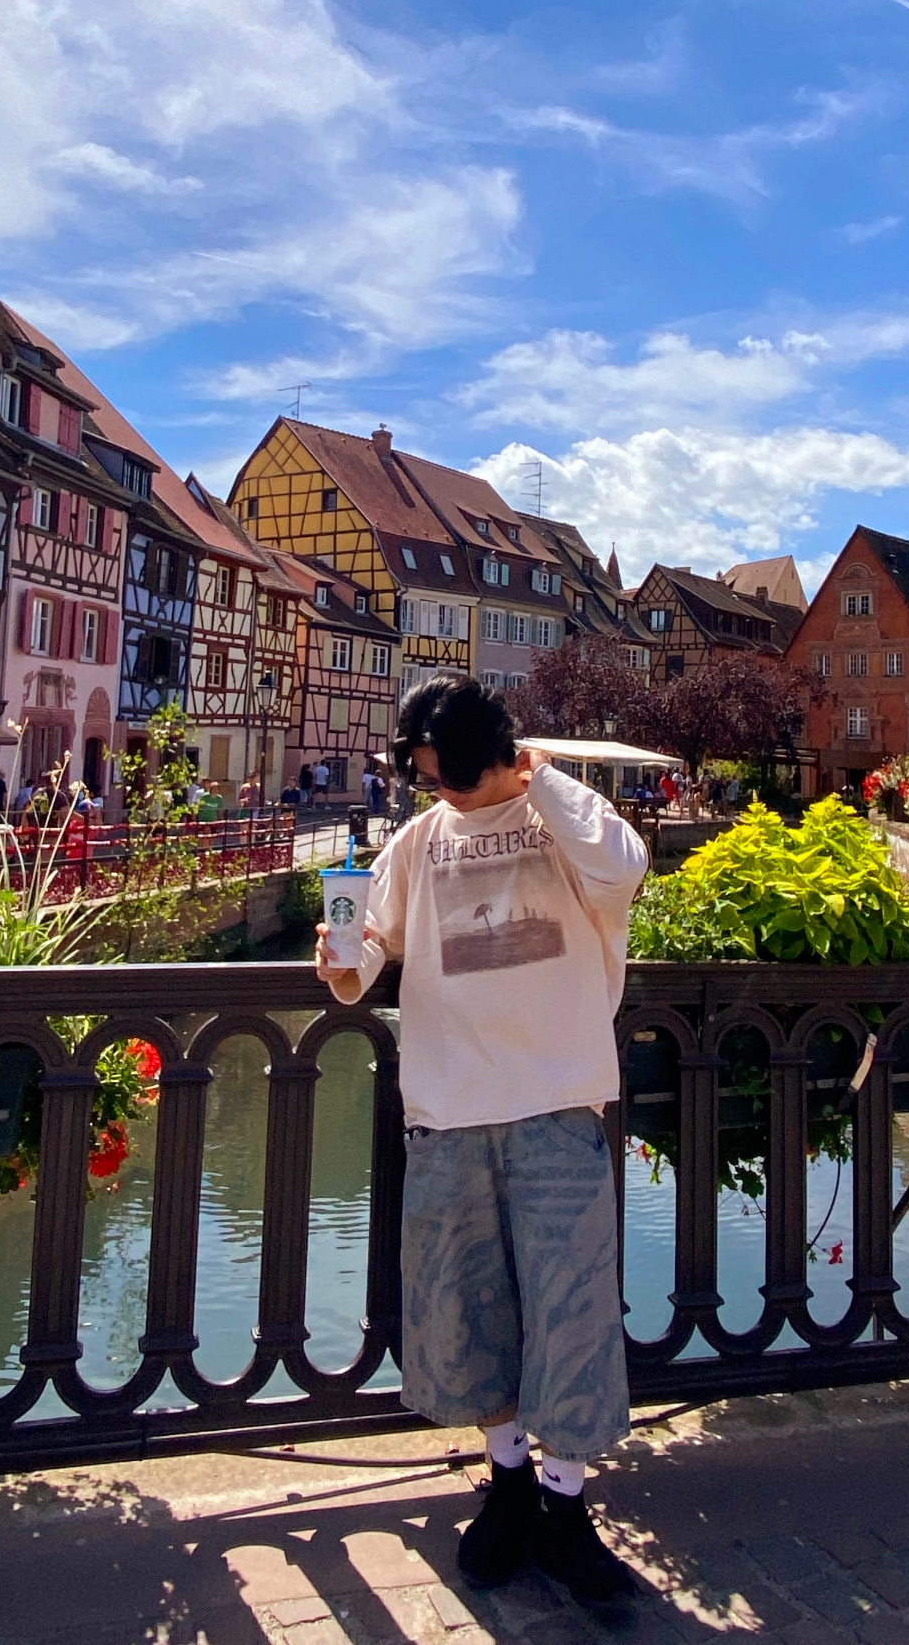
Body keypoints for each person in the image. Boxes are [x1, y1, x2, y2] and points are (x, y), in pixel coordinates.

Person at [315, 674, 647, 1604]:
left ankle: (569, 1508)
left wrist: (537, 781)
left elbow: (623, 870)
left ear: (495, 756)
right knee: (470, 1312)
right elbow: (368, 949)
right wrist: (343, 965)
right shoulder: (418, 843)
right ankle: (508, 1485)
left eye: (446, 777)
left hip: (558, 1101)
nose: (437, 795)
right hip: (448, 1109)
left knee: (571, 1314)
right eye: (423, 777)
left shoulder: (563, 818)